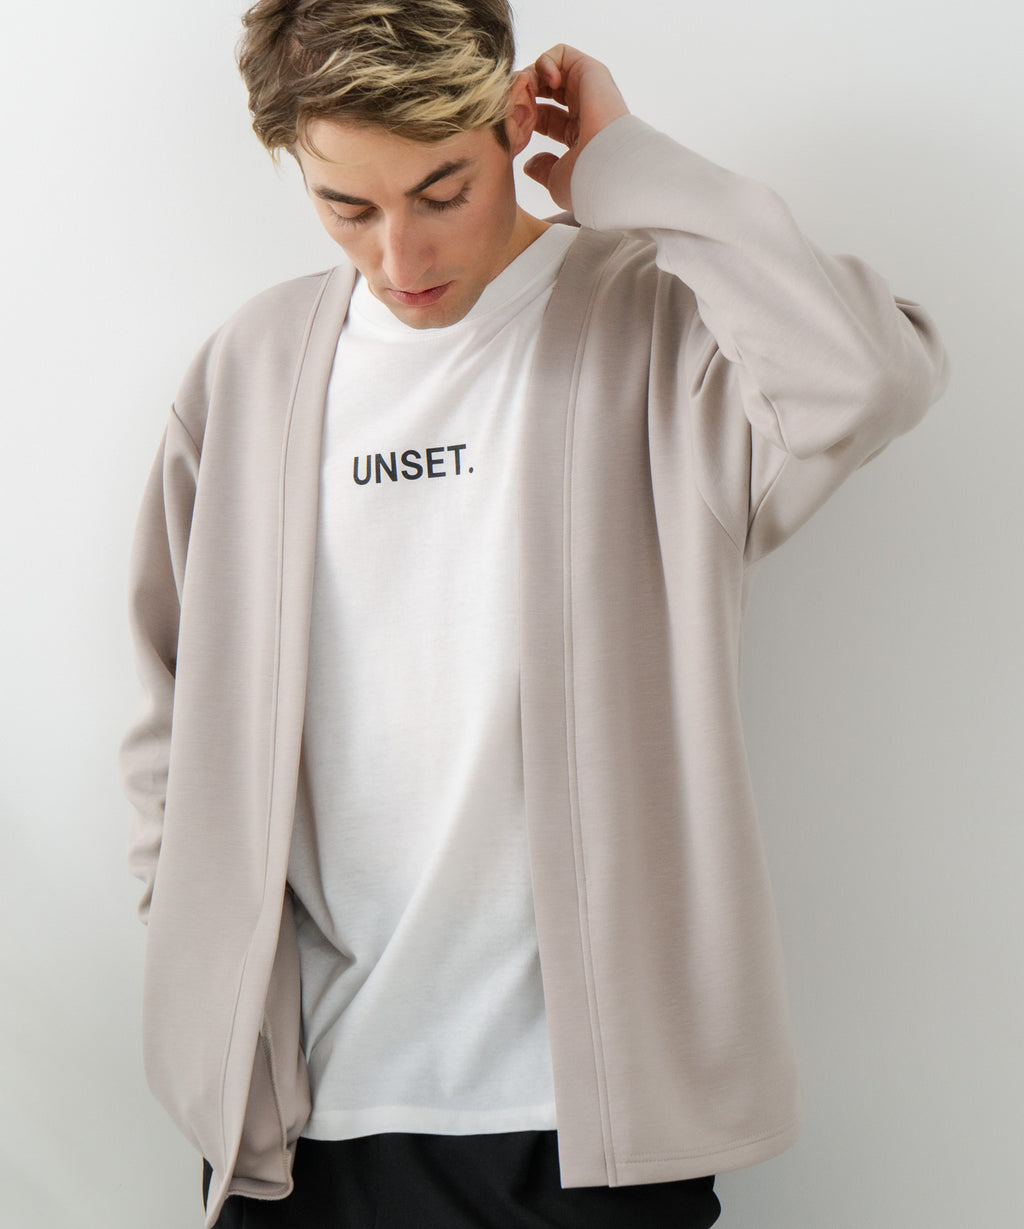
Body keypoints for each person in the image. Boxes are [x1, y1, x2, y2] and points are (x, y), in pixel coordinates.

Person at [119, 2, 948, 1226]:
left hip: (590, 1124)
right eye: (347, 208)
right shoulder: (252, 368)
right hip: (300, 1121)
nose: (400, 256)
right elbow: (171, 701)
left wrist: (626, 168)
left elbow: (864, 378)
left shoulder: (662, 329)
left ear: (514, 120)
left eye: (441, 190)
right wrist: (198, 943)